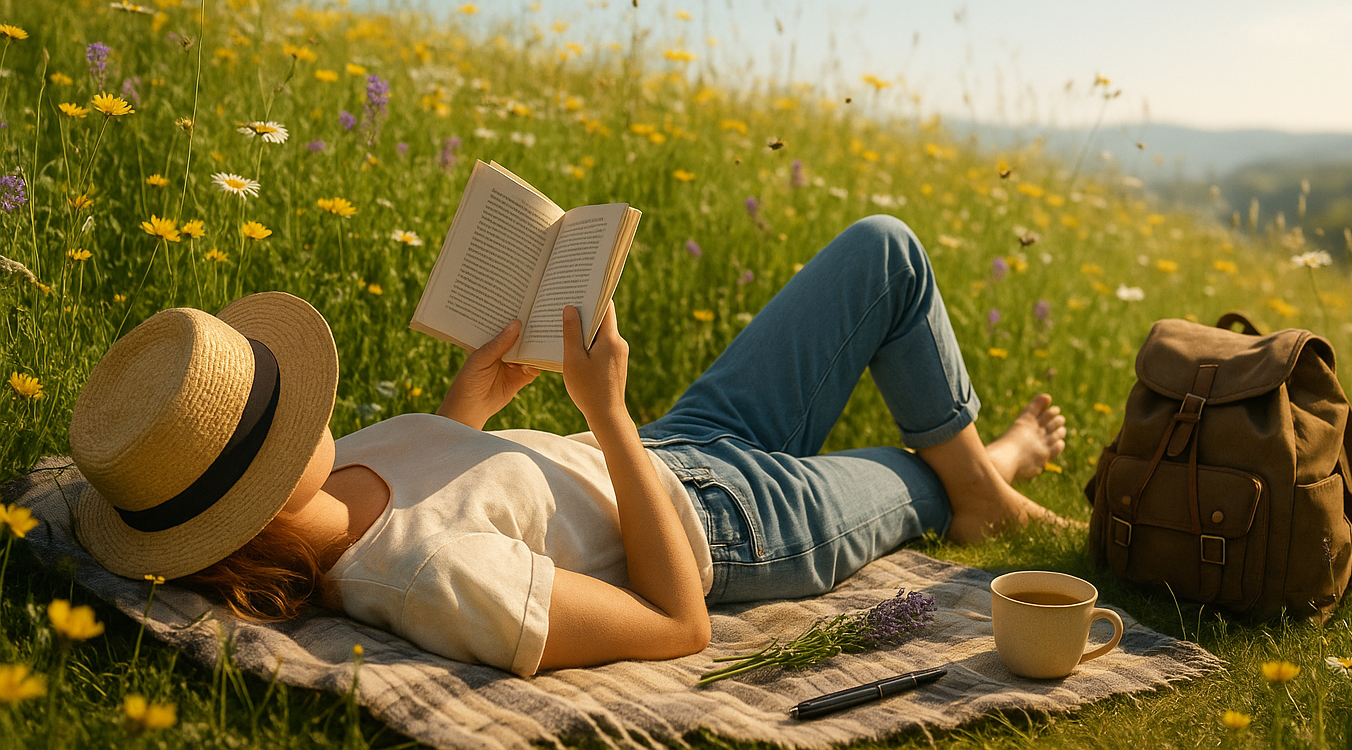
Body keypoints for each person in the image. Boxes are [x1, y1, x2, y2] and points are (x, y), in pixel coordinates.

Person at [68, 215, 1068, 676]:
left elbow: (447, 487)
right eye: (276, 409)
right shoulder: (431, 581)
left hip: (682, 444)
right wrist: (607, 414)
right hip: (736, 526)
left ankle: (983, 472)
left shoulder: (331, 486)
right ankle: (985, 479)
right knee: (916, 478)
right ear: (261, 488)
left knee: (882, 249)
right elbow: (678, 623)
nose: (300, 398)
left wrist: (470, 401)